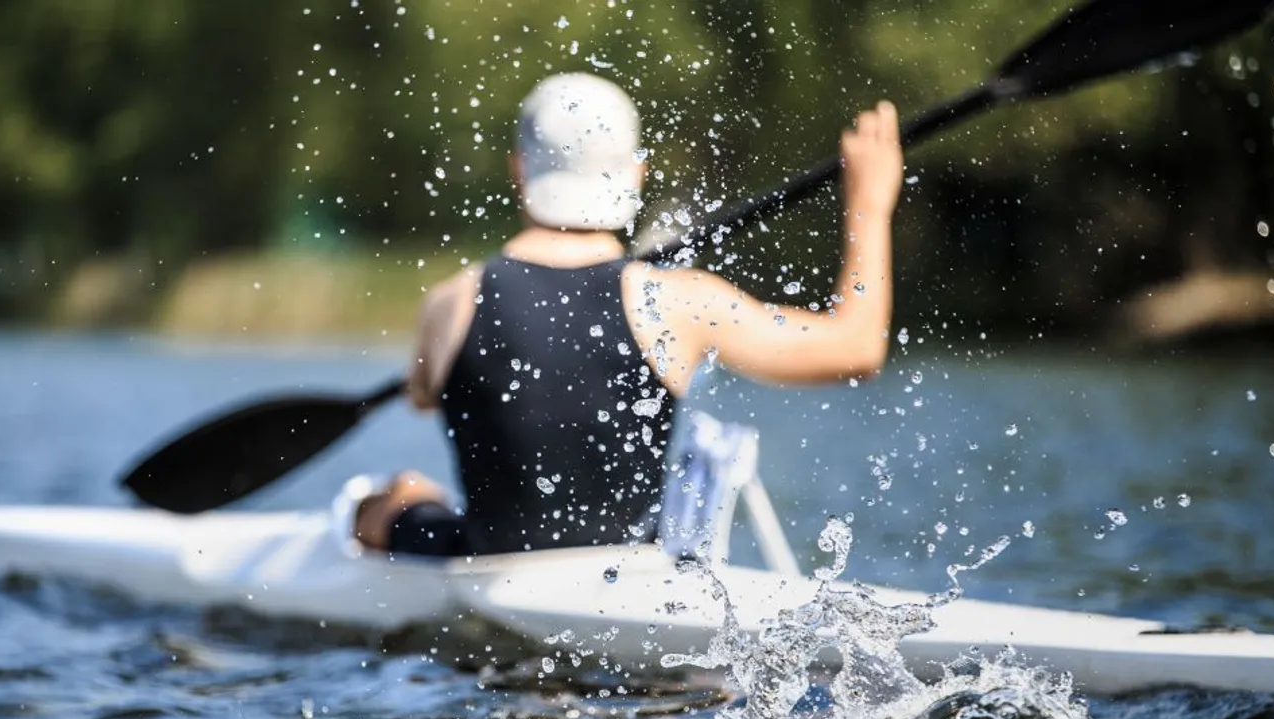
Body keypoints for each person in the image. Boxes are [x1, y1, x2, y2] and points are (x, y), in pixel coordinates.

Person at [350, 71, 903, 556]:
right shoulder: (677, 303)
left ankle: (397, 501)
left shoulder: (451, 302)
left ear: (519, 170)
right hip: (624, 583)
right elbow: (856, 348)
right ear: (636, 175)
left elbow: (423, 396)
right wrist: (869, 207)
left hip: (483, 564)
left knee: (384, 505)